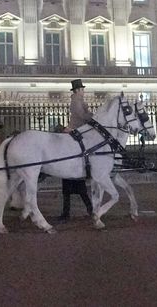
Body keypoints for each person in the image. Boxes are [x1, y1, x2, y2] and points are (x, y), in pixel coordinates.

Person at [60, 79, 95, 221]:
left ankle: (70, 211)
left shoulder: (79, 100)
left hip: (81, 130)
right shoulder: (76, 101)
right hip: (77, 131)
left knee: (76, 188)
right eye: (82, 89)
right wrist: (96, 117)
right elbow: (82, 116)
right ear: (77, 91)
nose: (83, 91)